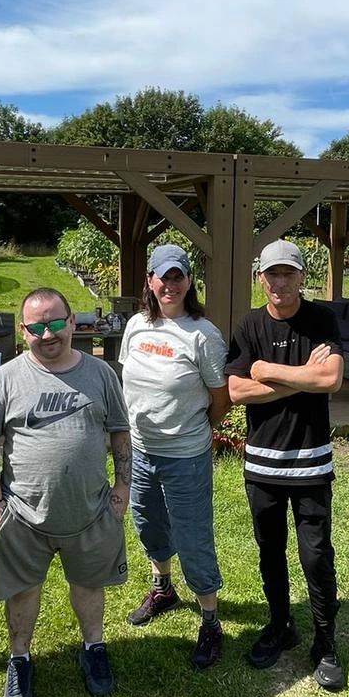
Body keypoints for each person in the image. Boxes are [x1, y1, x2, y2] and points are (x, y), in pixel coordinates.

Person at [0, 287, 132, 697]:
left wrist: (123, 489)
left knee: (89, 585)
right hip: (22, 515)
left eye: (57, 323)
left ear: (73, 323)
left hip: (91, 510)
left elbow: (119, 430)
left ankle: (94, 649)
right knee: (22, 590)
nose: (48, 334)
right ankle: (20, 659)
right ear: (24, 332)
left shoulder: (101, 374)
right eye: (37, 326)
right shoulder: (4, 379)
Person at [225, 239, 348, 691]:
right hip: (263, 465)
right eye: (271, 274)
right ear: (261, 278)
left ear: (301, 277)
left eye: (288, 273)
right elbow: (236, 392)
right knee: (270, 552)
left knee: (316, 556)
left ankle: (326, 642)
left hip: (312, 461)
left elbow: (331, 379)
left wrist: (266, 369)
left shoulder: (321, 319)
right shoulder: (249, 324)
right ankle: (281, 626)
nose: (280, 282)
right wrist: (303, 379)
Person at [119, 244, 231, 668]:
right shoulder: (135, 326)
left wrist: (198, 428)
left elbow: (220, 398)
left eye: (178, 276)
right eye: (162, 277)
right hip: (141, 451)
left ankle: (210, 621)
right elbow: (128, 380)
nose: (170, 285)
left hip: (185, 454)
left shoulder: (203, 334)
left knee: (192, 536)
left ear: (189, 282)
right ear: (149, 280)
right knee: (147, 522)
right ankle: (163, 587)